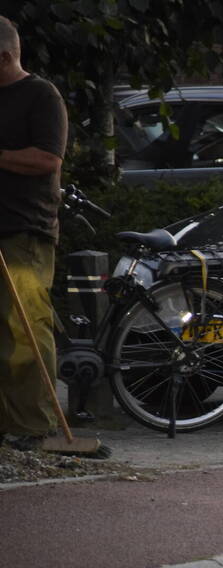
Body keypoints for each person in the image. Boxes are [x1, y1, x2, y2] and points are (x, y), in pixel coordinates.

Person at [0, 15, 69, 451]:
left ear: (5, 55)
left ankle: (32, 424)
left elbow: (48, 160)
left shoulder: (41, 95)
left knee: (23, 326)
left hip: (24, 228)